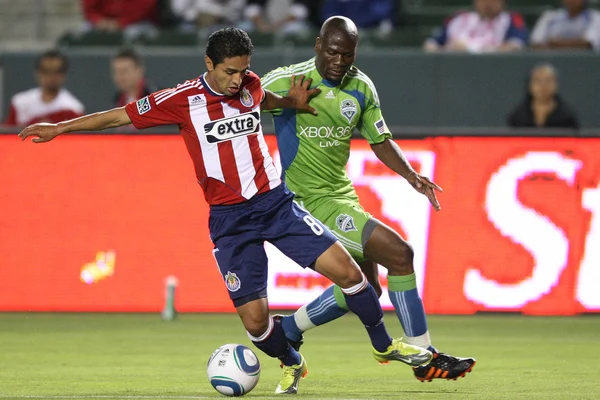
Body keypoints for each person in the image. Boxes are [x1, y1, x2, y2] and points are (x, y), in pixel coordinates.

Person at [18, 27, 432, 395]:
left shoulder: (250, 83)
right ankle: (291, 361)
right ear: (209, 64)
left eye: (243, 71)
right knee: (256, 324)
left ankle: (384, 346)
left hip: (276, 204)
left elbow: (260, 96)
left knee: (352, 274)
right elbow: (119, 117)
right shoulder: (180, 100)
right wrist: (60, 128)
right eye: (229, 72)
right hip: (230, 221)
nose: (238, 80)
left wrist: (291, 102)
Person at [261, 16, 476, 382]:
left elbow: (379, 140)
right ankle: (424, 357)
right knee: (400, 253)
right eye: (332, 52)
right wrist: (285, 102)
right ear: (317, 45)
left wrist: (411, 175)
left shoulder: (361, 87)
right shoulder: (288, 79)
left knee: (368, 288)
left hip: (342, 196)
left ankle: (290, 330)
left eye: (347, 54)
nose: (339, 61)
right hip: (307, 202)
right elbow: (241, 100)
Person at [3, 50, 84, 127]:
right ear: (37, 73)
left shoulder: (72, 108)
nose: (51, 76)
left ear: (64, 74)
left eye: (56, 72)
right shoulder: (20, 102)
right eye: (46, 71)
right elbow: (8, 134)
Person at [423, 0, 527, 53]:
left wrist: (471, 49)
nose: (487, 3)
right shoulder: (459, 19)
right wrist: (447, 51)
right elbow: (430, 44)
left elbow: (515, 46)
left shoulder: (510, 19)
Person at [508, 64, 579, 129]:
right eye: (538, 81)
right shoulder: (518, 115)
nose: (543, 86)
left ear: (556, 85)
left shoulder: (567, 117)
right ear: (530, 85)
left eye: (548, 80)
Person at [530, 0, 600, 51]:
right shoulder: (549, 16)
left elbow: (588, 44)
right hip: (552, 62)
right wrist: (575, 43)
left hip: (586, 64)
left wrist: (555, 43)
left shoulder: (595, 17)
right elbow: (536, 43)